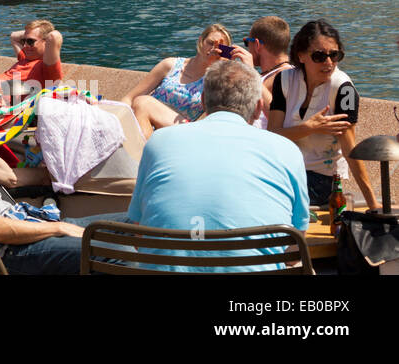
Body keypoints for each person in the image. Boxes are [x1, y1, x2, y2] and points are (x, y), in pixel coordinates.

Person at [0, 60, 126, 274]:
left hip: (18, 232)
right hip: (9, 253)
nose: (4, 103)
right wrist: (59, 228)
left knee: (132, 221)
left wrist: (51, 169)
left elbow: (8, 176)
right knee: (113, 251)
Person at [127, 60, 310, 269]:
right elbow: (294, 249)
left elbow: (139, 232)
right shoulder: (287, 151)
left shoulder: (158, 142)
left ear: (203, 101)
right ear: (259, 108)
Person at [268, 20, 381, 211]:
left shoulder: (344, 90)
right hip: (283, 169)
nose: (329, 63)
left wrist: (372, 202)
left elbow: (349, 148)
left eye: (334, 55)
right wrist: (309, 128)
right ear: (301, 56)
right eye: (319, 56)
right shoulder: (284, 80)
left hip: (322, 177)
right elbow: (272, 135)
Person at [123, 23, 248, 139]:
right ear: (201, 40)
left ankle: (141, 153)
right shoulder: (170, 65)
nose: (212, 49)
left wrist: (222, 68)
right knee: (139, 104)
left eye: (220, 47)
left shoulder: (216, 79)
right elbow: (129, 98)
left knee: (144, 102)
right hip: (147, 125)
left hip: (181, 132)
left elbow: (224, 114)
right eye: (210, 43)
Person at [243, 15, 295, 129]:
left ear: (256, 45)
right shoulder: (268, 75)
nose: (247, 48)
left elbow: (281, 120)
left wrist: (252, 73)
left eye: (247, 43)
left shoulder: (287, 76)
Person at [3, 20, 64, 94]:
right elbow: (13, 36)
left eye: (30, 41)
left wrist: (42, 34)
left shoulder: (47, 67)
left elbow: (54, 36)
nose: (25, 46)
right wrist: (30, 33)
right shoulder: (25, 56)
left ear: (45, 42)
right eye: (23, 41)